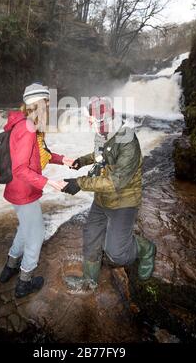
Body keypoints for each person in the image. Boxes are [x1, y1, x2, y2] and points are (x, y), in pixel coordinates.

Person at [62, 96, 156, 291]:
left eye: (91, 119)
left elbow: (116, 181)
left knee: (117, 254)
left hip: (124, 200)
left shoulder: (127, 140)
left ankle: (147, 249)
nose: (88, 122)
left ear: (102, 120)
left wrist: (80, 183)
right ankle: (90, 280)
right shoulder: (103, 132)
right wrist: (82, 160)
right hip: (102, 198)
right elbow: (100, 155)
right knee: (91, 237)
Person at [0, 82, 69, 298]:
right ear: (40, 103)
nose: (49, 106)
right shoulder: (29, 128)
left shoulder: (24, 123)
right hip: (24, 192)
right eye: (47, 102)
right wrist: (48, 182)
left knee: (25, 228)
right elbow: (21, 168)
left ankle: (9, 268)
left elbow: (39, 154)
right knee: (36, 234)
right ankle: (24, 282)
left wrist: (62, 159)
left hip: (16, 190)